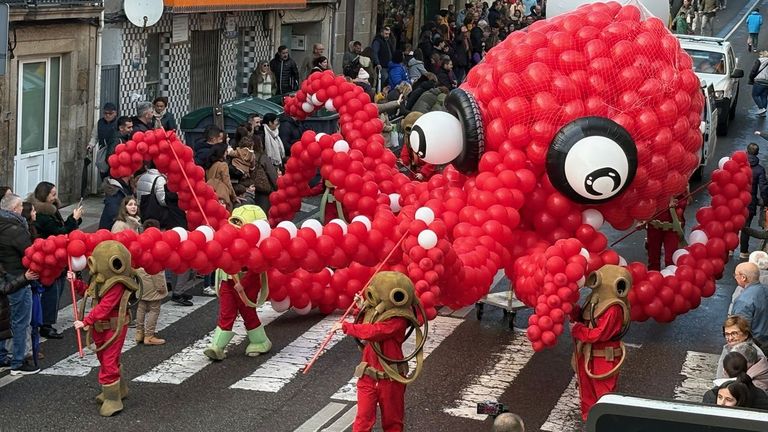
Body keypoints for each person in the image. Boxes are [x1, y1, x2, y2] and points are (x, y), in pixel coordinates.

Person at [330, 272, 426, 432]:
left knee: (392, 423)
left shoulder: (399, 320)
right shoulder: (376, 312)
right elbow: (367, 323)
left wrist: (346, 327)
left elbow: (376, 331)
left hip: (391, 379)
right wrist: (361, 307)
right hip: (368, 376)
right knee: (362, 421)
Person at [72, 241, 140, 416]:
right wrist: (76, 283)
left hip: (114, 325)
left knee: (109, 360)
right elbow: (90, 292)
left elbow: (106, 306)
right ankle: (119, 389)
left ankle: (113, 399)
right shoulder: (101, 278)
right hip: (100, 326)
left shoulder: (117, 283)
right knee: (104, 357)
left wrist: (86, 321)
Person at [204, 206, 272, 361]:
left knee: (248, 313)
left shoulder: (256, 245)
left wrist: (244, 283)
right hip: (227, 282)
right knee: (226, 312)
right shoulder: (229, 237)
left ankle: (260, 341)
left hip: (245, 284)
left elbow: (256, 267)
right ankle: (217, 346)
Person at [571, 265, 631, 421]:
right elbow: (586, 317)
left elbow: (599, 334)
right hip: (588, 354)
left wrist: (578, 330)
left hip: (604, 358)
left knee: (604, 395)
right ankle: (591, 421)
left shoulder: (614, 309)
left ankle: (605, 423)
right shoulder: (595, 300)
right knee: (586, 391)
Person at [30, 182, 83, 339]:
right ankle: (46, 324)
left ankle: (48, 321)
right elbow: (60, 231)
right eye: (52, 194)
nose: (55, 196)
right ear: (44, 195)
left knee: (57, 288)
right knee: (51, 290)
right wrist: (73, 219)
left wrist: (74, 220)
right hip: (48, 256)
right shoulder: (43, 215)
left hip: (56, 255)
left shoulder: (51, 210)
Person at [0, 193, 38, 375]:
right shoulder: (15, 229)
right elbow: (30, 252)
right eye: (21, 206)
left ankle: (3, 356)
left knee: (5, 319)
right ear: (15, 209)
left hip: (5, 278)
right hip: (19, 278)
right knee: (20, 321)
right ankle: (18, 361)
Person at [134, 220, 168, 346]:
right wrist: (161, 287)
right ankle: (149, 335)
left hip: (141, 283)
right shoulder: (156, 247)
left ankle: (139, 332)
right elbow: (157, 271)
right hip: (153, 284)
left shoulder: (140, 243)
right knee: (154, 310)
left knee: (141, 308)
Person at [703, 352, 768, 409]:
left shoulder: (711, 395)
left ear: (724, 371)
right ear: (747, 369)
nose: (722, 403)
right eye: (720, 397)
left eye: (728, 399)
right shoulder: (761, 395)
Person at [645, 191, 687, 271]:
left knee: (671, 260)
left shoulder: (678, 184)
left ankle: (671, 280)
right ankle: (654, 280)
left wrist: (677, 204)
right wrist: (641, 220)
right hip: (654, 226)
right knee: (653, 260)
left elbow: (684, 200)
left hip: (672, 228)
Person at [740, 143, 768, 257]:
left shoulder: (739, 166)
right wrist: (765, 202)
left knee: (731, 223)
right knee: (746, 225)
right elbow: (763, 188)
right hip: (749, 201)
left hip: (735, 198)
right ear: (757, 153)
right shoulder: (759, 170)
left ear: (747, 151)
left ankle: (730, 249)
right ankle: (743, 251)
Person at [731, 262, 768, 345]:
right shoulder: (765, 289)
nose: (735, 277)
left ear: (743, 277)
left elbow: (740, 331)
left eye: (736, 275)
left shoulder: (743, 300)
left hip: (756, 346)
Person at [89, 103, 118, 182]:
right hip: (104, 153)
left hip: (116, 153)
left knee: (114, 177)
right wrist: (91, 145)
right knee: (104, 175)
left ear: (115, 113)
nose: (108, 115)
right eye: (105, 113)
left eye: (110, 113)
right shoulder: (99, 123)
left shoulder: (119, 123)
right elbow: (94, 136)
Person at [205, 146, 237, 211]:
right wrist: (234, 196)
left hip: (211, 194)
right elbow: (227, 182)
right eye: (225, 152)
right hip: (222, 194)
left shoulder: (208, 166)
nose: (226, 153)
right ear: (221, 153)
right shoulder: (223, 165)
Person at [749, 51, 768, 117]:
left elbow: (754, 70)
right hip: (767, 82)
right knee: (764, 96)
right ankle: (763, 112)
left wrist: (751, 78)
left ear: (762, 55)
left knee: (755, 95)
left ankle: (761, 108)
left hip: (759, 80)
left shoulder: (759, 60)